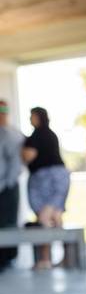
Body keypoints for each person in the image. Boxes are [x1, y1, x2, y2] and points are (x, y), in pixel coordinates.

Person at [22, 107, 71, 269]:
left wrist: (21, 150)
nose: (30, 119)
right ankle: (67, 257)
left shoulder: (37, 135)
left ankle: (44, 259)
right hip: (61, 176)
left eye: (32, 116)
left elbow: (28, 156)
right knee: (56, 216)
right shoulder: (51, 134)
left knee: (44, 216)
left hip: (45, 178)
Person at [0, 100, 24, 271]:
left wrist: (7, 184)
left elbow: (15, 163)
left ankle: (7, 258)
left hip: (7, 187)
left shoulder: (11, 134)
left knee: (8, 223)